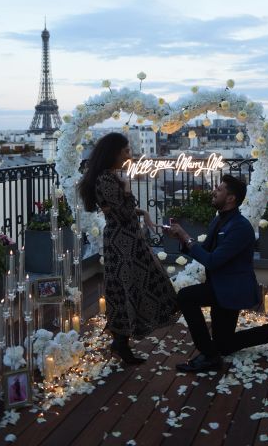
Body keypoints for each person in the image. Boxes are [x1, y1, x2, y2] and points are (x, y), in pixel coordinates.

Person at [167, 174, 268, 373]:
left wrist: (186, 236)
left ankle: (208, 356)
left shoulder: (240, 227)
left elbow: (212, 261)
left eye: (219, 189)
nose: (214, 192)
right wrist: (182, 239)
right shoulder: (219, 221)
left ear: (231, 198)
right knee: (224, 345)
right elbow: (206, 250)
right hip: (220, 287)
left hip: (232, 290)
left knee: (185, 297)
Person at [78, 132, 179, 365]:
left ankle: (121, 343)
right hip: (123, 242)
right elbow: (121, 214)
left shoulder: (107, 177)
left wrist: (140, 211)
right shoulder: (107, 179)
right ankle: (121, 344)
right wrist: (126, 188)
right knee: (126, 288)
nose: (129, 155)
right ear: (113, 152)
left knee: (128, 287)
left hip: (126, 240)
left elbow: (118, 210)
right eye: (125, 151)